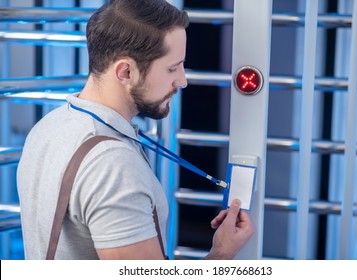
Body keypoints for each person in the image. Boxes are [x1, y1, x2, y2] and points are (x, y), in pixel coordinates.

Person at [17, 0, 254, 260]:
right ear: (126, 71)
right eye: (172, 68)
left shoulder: (48, 127)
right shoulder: (112, 164)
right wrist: (222, 252)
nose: (182, 80)